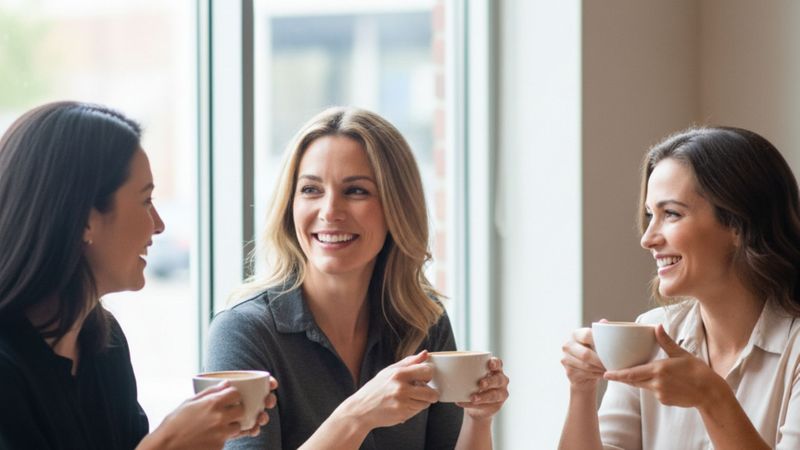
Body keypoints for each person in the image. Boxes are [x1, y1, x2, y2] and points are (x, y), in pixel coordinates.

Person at [206, 107, 509, 449]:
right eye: (310, 190)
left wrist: (478, 417)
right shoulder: (244, 332)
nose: (330, 211)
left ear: (397, 207)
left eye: (356, 191)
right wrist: (359, 414)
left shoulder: (422, 320)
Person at [0, 101, 278, 450]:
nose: (159, 225)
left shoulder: (103, 343)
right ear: (86, 219)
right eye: (146, 201)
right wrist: (168, 443)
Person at [559, 127, 800, 449]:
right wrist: (582, 388)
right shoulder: (649, 334)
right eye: (650, 215)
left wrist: (712, 398)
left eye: (671, 213)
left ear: (739, 225)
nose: (648, 238)